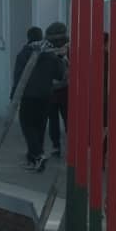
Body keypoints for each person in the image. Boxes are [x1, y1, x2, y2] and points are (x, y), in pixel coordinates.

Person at [13, 26, 61, 172]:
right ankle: (33, 159)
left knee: (27, 126)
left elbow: (18, 76)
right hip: (45, 97)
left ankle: (38, 155)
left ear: (28, 37)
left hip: (29, 97)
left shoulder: (24, 53)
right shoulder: (50, 54)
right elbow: (59, 74)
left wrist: (13, 97)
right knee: (39, 127)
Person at [44, 22, 69, 156]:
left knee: (55, 119)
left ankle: (56, 145)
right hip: (62, 90)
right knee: (64, 119)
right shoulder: (66, 50)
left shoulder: (47, 51)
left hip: (55, 90)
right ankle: (59, 145)